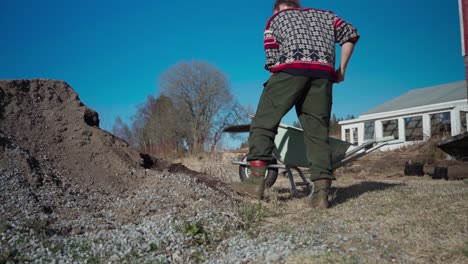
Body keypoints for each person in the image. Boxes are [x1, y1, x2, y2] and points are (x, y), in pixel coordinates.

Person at [231, 0, 359, 208]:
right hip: (323, 75)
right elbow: (350, 34)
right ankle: (320, 194)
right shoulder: (327, 16)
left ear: (280, 7)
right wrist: (341, 70)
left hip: (290, 70)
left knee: (264, 121)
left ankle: (255, 181)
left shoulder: (276, 19)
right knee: (317, 133)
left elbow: (272, 59)